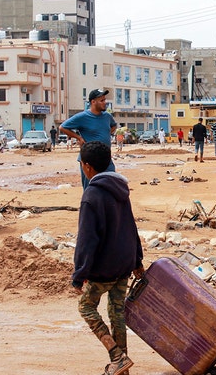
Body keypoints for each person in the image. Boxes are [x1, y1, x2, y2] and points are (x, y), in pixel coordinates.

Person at [71, 141, 144, 375]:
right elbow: (131, 227)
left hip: (103, 268)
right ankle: (122, 367)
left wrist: (79, 274)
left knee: (86, 307)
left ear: (87, 167)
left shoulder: (90, 195)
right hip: (124, 263)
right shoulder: (120, 188)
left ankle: (116, 355)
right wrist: (137, 261)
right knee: (117, 313)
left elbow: (86, 240)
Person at [60, 88, 117, 190]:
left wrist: (107, 133)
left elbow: (114, 126)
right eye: (102, 100)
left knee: (111, 186)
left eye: (105, 100)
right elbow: (63, 127)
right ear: (93, 102)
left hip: (106, 158)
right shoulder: (82, 117)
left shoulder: (107, 116)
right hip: (90, 159)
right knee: (91, 188)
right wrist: (79, 138)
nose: (105, 103)